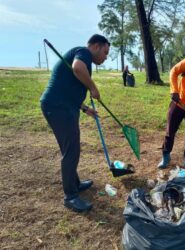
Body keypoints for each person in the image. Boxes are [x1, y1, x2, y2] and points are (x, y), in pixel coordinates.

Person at [40, 34, 110, 213]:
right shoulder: (83, 53)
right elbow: (77, 69)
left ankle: (75, 183)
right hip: (58, 107)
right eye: (105, 52)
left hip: (63, 105)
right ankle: (70, 196)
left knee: (70, 148)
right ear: (95, 46)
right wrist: (93, 87)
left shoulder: (83, 56)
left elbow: (68, 89)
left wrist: (85, 108)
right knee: (71, 150)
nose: (105, 57)